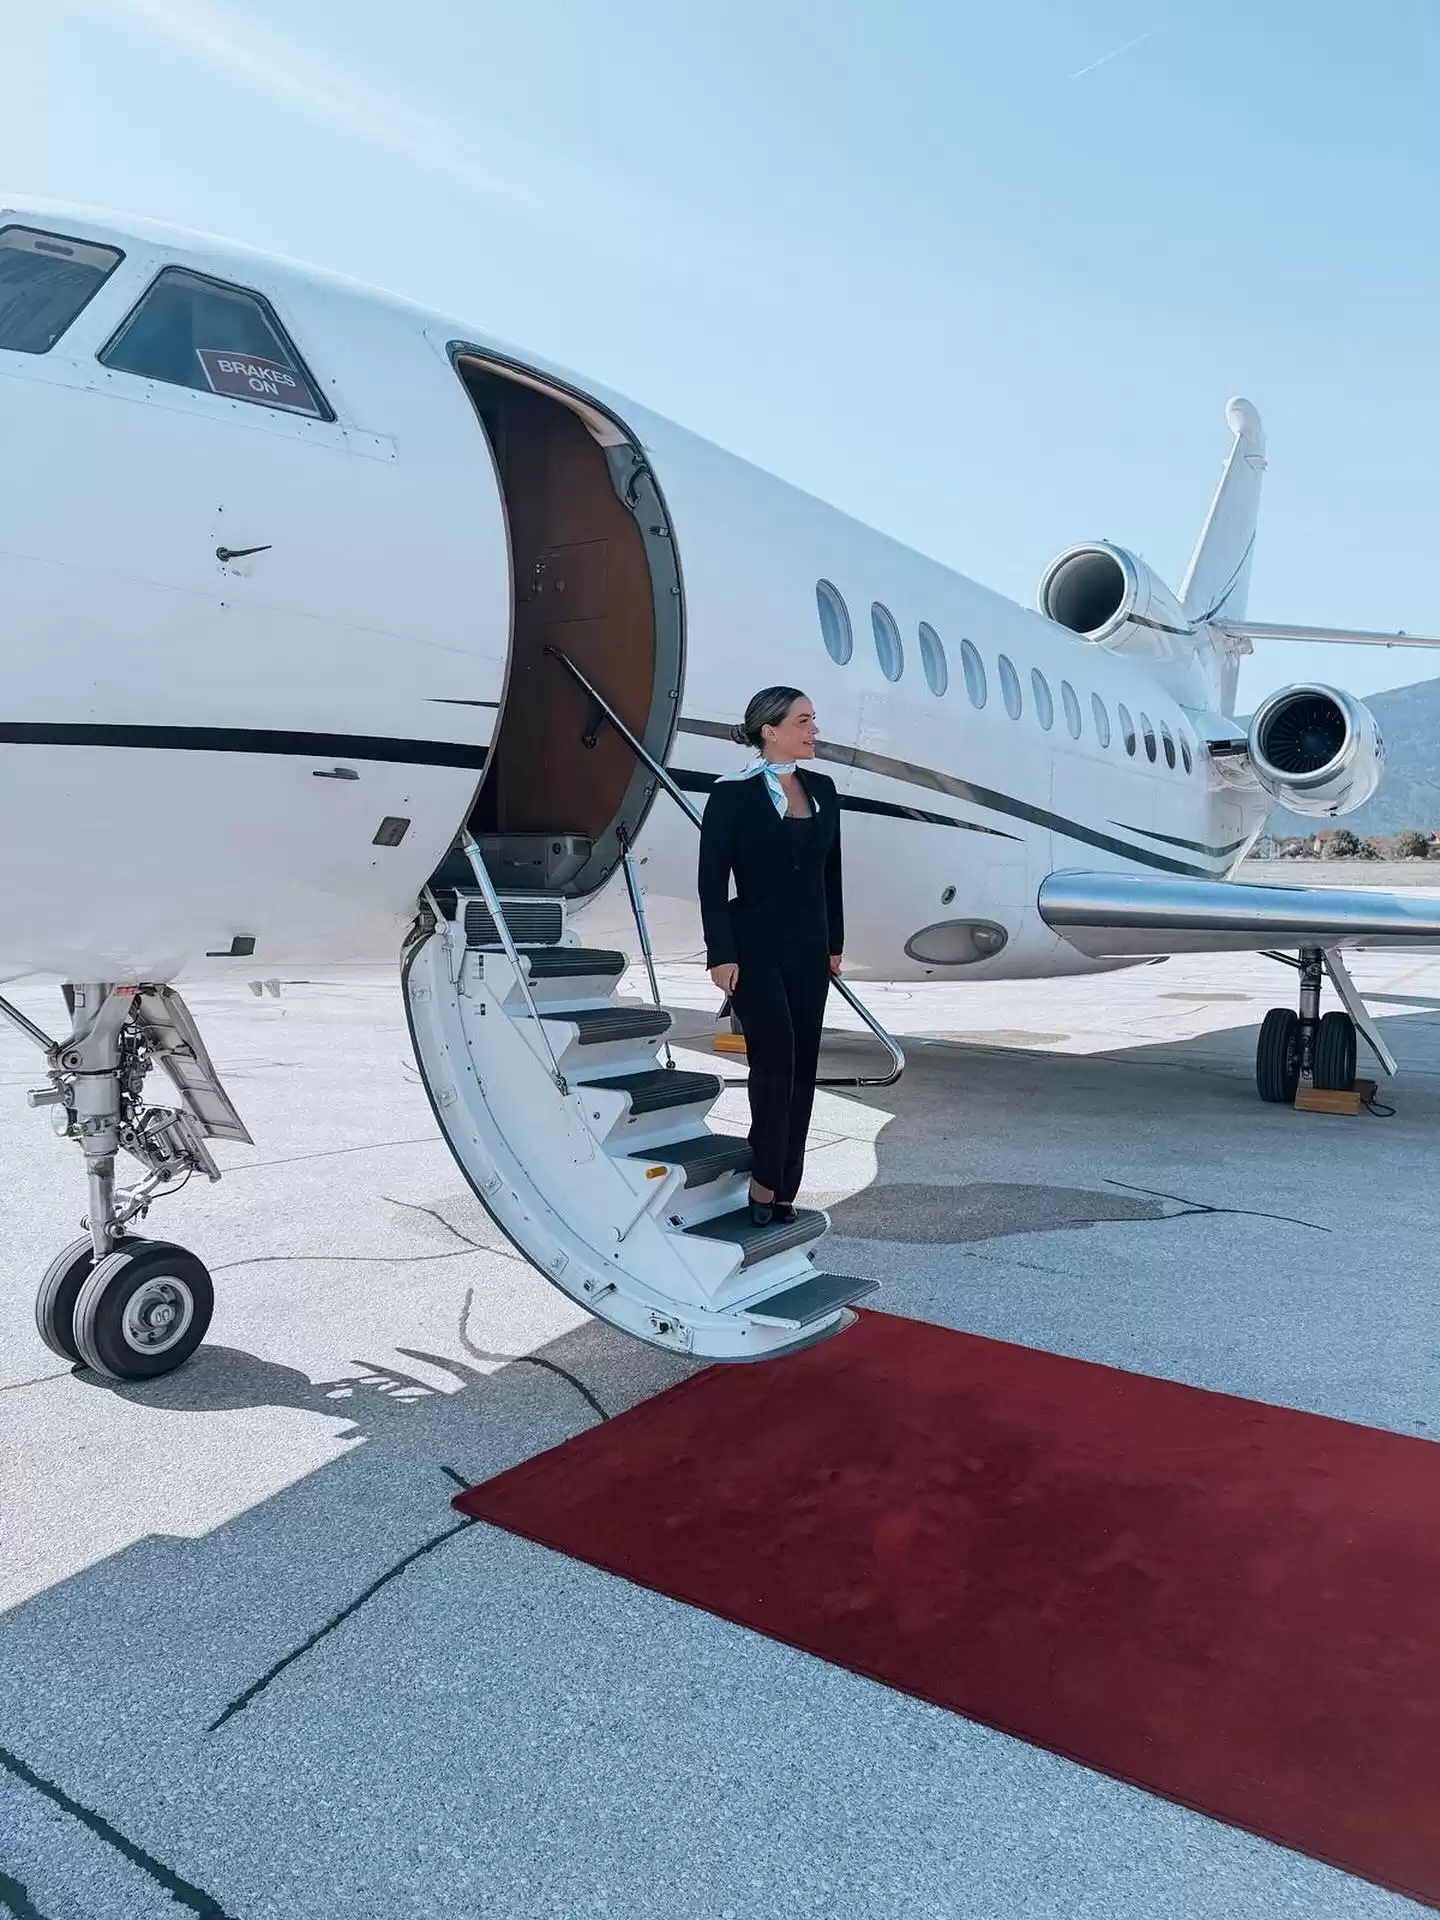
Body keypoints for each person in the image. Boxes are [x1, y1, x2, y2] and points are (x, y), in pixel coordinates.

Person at [697, 686, 843, 1227]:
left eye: (813, 719)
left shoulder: (823, 789)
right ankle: (763, 1178)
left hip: (809, 948)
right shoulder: (731, 794)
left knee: (803, 1064)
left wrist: (834, 944)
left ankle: (785, 1186)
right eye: (803, 721)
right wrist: (721, 953)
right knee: (775, 1057)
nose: (813, 730)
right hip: (753, 947)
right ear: (770, 730)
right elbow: (711, 879)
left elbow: (831, 872)